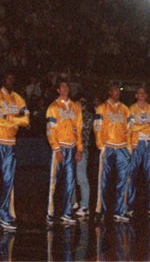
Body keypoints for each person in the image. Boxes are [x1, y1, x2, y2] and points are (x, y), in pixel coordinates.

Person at [0, 72, 29, 232]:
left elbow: (27, 120)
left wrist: (9, 119)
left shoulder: (18, 99)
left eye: (12, 78)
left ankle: (5, 215)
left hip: (11, 143)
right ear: (3, 80)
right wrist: (16, 120)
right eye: (8, 78)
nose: (10, 80)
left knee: (8, 180)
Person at [45, 80, 83, 227]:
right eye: (62, 87)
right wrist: (57, 149)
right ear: (58, 90)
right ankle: (50, 213)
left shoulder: (75, 107)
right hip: (59, 148)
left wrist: (79, 149)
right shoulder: (53, 107)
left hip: (71, 148)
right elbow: (50, 130)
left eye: (67, 86)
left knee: (70, 181)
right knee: (54, 181)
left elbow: (79, 129)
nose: (65, 89)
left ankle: (66, 212)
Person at [94, 83, 132, 221]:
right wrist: (101, 146)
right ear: (110, 92)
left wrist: (129, 147)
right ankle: (101, 210)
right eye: (115, 90)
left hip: (122, 147)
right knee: (103, 180)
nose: (117, 92)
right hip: (108, 146)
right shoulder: (102, 108)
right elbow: (97, 127)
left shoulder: (125, 109)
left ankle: (120, 211)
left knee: (124, 179)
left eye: (119, 90)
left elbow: (129, 128)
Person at [125, 86, 150, 218]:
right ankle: (128, 206)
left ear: (146, 95)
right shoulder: (130, 109)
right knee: (131, 176)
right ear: (136, 95)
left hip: (149, 145)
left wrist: (140, 127)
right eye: (139, 93)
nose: (141, 95)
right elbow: (130, 127)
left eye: (143, 93)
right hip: (135, 145)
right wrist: (146, 126)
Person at [74, 93, 94, 218]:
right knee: (71, 177)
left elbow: (82, 129)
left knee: (81, 178)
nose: (81, 105)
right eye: (79, 102)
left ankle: (85, 205)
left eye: (83, 103)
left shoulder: (88, 116)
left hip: (82, 150)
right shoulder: (72, 115)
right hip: (70, 149)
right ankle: (73, 202)